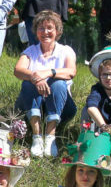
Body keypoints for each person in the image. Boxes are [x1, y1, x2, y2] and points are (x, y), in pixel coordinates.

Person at [14, 10, 77, 157]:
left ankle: (50, 138)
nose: (45, 32)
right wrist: (35, 76)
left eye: (50, 28)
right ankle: (36, 137)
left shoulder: (66, 51)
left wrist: (49, 73)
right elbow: (18, 70)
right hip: (34, 102)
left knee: (59, 84)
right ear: (36, 32)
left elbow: (71, 71)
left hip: (62, 105)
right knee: (28, 83)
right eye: (41, 28)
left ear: (57, 31)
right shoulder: (31, 51)